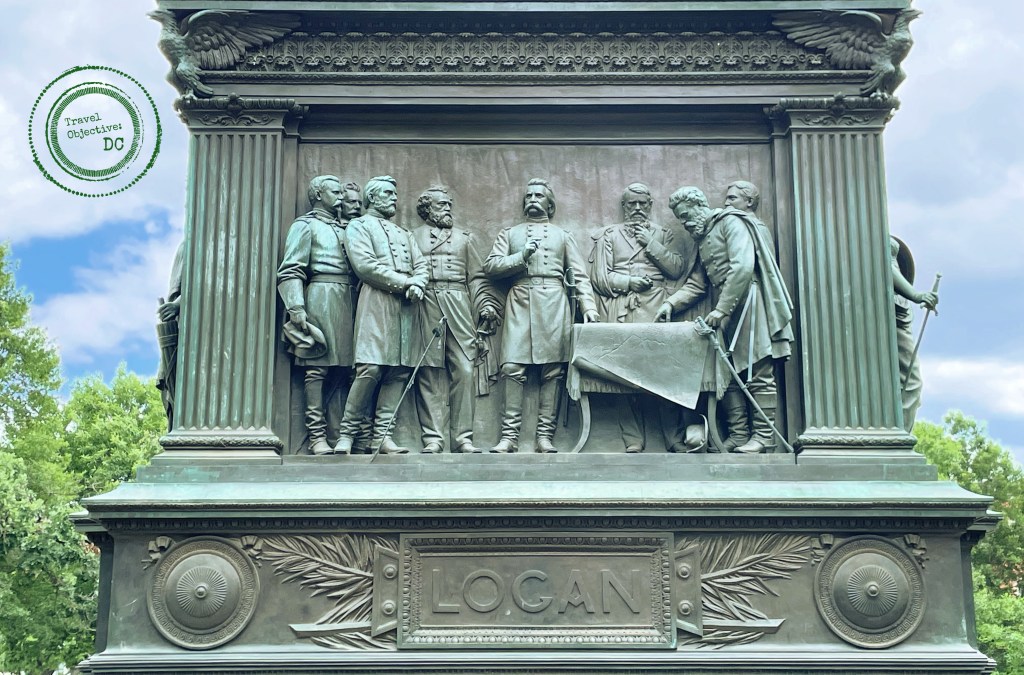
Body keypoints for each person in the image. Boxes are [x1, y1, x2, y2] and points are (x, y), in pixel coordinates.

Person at [655, 186, 793, 453]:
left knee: (758, 370)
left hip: (750, 303)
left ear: (699, 206)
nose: (684, 223)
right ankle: (740, 435)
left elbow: (742, 266)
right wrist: (671, 303)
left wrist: (721, 310)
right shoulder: (705, 237)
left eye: (685, 216)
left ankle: (765, 437)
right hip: (729, 310)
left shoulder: (730, 222)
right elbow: (697, 284)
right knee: (726, 372)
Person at [483, 178, 599, 453]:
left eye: (539, 195)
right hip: (521, 300)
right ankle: (509, 437)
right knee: (511, 368)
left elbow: (579, 275)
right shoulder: (510, 234)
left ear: (550, 203)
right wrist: (520, 256)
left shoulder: (562, 235)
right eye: (529, 195)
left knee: (553, 371)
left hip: (554, 301)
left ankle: (545, 437)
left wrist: (589, 307)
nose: (533, 199)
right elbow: (491, 266)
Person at [589, 182, 689, 452]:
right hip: (623, 309)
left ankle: (673, 437)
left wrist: (650, 244)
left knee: (663, 374)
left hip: (657, 309)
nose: (636, 208)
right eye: (631, 204)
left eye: (642, 204)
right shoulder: (609, 236)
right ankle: (632, 439)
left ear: (650, 206)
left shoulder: (662, 234)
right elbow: (599, 277)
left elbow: (676, 270)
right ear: (623, 207)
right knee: (625, 375)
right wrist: (630, 281)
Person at [335, 176, 428, 455]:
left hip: (407, 307)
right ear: (372, 197)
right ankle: (347, 434)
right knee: (370, 368)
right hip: (375, 302)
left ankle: (382, 437)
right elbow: (365, 266)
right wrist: (405, 283)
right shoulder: (359, 226)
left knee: (398, 371)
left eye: (395, 194)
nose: (394, 199)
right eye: (388, 193)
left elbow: (421, 265)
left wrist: (418, 283)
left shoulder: (404, 234)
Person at [411, 186, 501, 454]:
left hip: (458, 302)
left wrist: (485, 305)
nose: (447, 209)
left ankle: (463, 437)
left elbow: (477, 278)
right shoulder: (411, 237)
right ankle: (432, 438)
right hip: (425, 302)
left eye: (449, 204)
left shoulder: (465, 238)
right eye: (441, 205)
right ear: (427, 210)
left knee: (464, 368)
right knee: (427, 370)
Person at [277, 176, 361, 455]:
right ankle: (317, 437)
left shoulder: (348, 227)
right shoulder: (305, 226)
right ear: (318, 195)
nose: (340, 195)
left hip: (351, 298)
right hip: (321, 296)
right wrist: (296, 307)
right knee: (318, 367)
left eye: (341, 190)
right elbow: (291, 269)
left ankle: (349, 433)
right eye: (334, 191)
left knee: (350, 369)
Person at [890, 235, 938, 431]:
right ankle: (900, 435)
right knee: (912, 383)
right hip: (890, 307)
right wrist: (915, 294)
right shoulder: (868, 232)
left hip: (898, 305)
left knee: (910, 382)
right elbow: (886, 267)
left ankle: (900, 434)